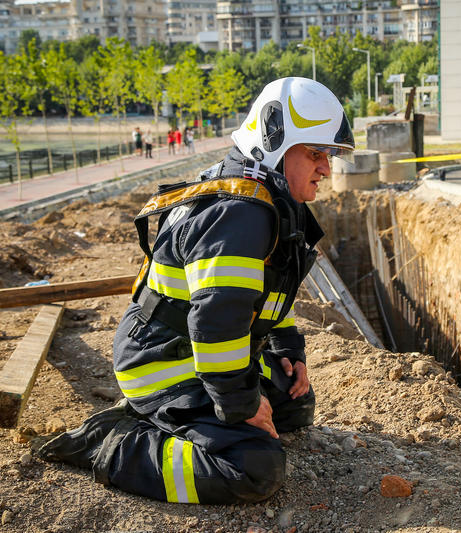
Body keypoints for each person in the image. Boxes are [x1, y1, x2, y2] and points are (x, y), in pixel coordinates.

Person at [38, 77, 355, 504]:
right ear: (274, 143)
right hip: (162, 364)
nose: (326, 168)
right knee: (254, 469)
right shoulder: (239, 216)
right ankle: (112, 446)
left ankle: (186, 418)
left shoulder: (270, 202)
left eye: (329, 155)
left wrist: (286, 347)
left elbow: (267, 295)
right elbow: (216, 326)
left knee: (294, 403)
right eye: (316, 153)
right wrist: (241, 402)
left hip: (191, 353)